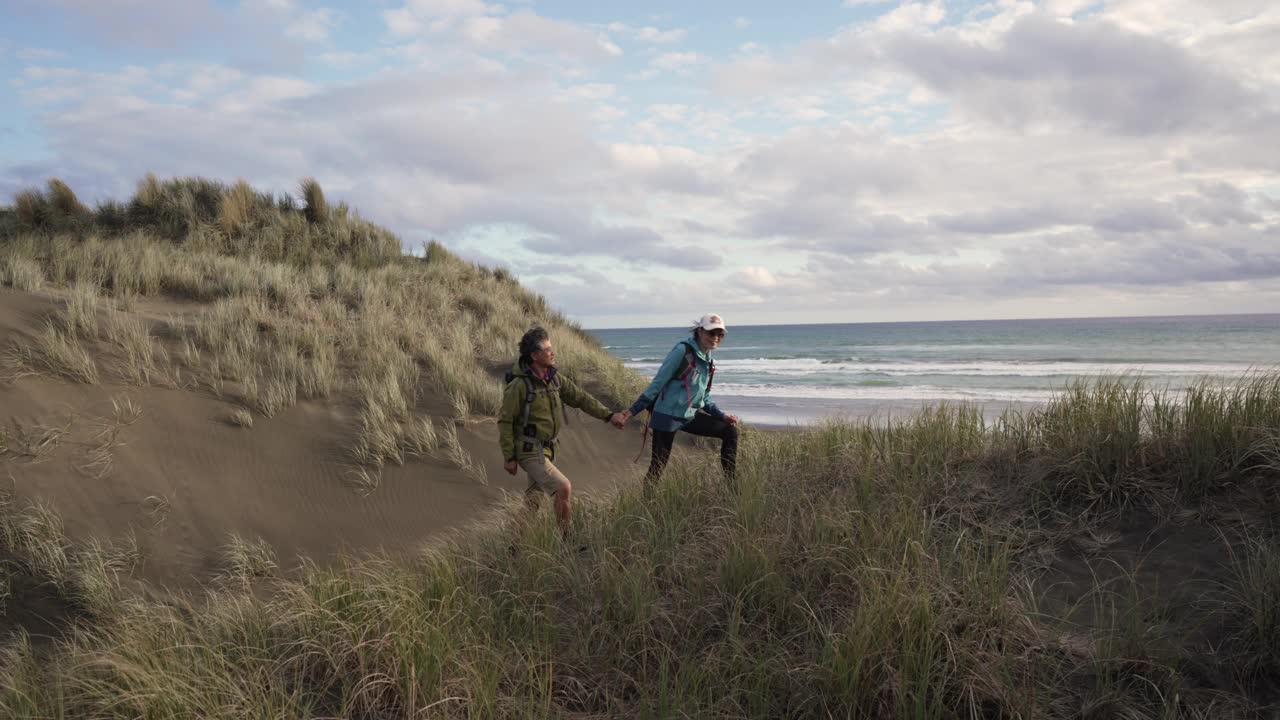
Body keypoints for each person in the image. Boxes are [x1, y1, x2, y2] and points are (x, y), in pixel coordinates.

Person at [500, 326, 627, 540]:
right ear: (534, 355)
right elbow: (505, 421)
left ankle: (513, 545)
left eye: (552, 348)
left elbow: (581, 398)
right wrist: (509, 457)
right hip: (529, 450)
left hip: (547, 450)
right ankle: (568, 541)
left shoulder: (555, 379)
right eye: (547, 349)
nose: (553, 352)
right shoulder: (520, 385)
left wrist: (609, 415)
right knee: (563, 488)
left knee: (533, 501)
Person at [613, 313, 739, 492]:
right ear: (700, 331)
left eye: (720, 334)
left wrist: (721, 415)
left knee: (729, 431)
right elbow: (657, 384)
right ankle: (647, 503)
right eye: (712, 333)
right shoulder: (682, 351)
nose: (716, 338)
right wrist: (630, 412)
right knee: (658, 467)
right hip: (667, 416)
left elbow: (704, 397)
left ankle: (733, 487)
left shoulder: (708, 361)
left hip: (688, 416)